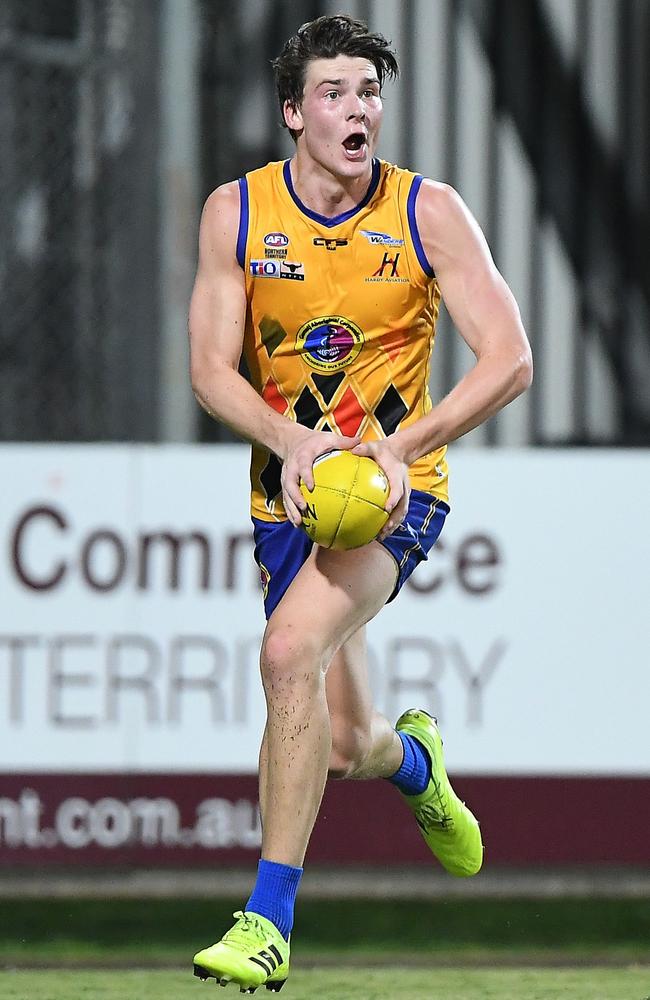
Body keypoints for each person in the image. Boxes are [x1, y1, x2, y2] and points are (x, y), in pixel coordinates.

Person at [189, 13, 532, 993]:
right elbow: (209, 370)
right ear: (293, 113)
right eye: (333, 94)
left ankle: (267, 921)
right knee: (342, 744)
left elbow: (509, 360)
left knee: (287, 650)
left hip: (390, 498)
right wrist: (290, 440)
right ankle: (413, 761)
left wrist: (397, 449)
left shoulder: (427, 213)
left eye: (368, 93)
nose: (356, 110)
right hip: (286, 496)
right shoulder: (237, 214)